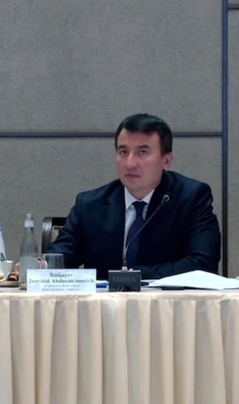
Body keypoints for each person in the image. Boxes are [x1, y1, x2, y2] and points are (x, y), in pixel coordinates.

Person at [47, 113, 221, 279]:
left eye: (142, 152)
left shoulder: (191, 198)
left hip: (167, 300)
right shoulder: (90, 204)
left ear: (167, 161)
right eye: (123, 152)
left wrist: (133, 275)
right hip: (105, 300)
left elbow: (204, 264)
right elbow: (61, 258)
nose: (130, 163)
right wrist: (41, 266)